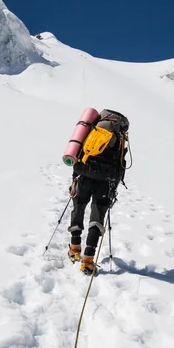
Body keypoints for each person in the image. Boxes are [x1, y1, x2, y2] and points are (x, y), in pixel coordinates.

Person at [67, 109, 129, 274]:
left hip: (83, 174)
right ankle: (87, 260)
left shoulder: (92, 129)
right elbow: (121, 165)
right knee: (97, 217)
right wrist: (113, 189)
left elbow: (78, 152)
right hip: (105, 181)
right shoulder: (120, 137)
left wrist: (75, 177)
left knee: (78, 208)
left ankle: (74, 249)